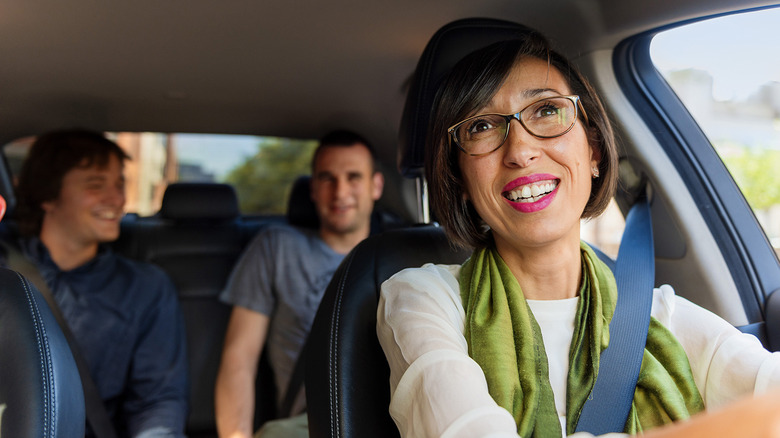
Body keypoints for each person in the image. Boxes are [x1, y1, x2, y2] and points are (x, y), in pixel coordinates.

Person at [376, 30, 780, 438]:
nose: (519, 150)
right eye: (481, 126)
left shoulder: (658, 314)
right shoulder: (421, 298)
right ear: (460, 178)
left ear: (594, 152)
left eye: (547, 110)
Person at [8, 129, 189, 437]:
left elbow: (157, 401)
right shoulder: (6, 274)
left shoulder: (145, 287)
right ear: (48, 196)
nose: (117, 199)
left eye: (120, 183)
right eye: (96, 184)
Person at [215, 130, 385, 438]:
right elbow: (239, 357)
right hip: (310, 424)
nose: (340, 192)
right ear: (313, 189)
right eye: (327, 178)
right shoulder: (276, 247)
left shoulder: (399, 254)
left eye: (353, 177)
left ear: (376, 186)